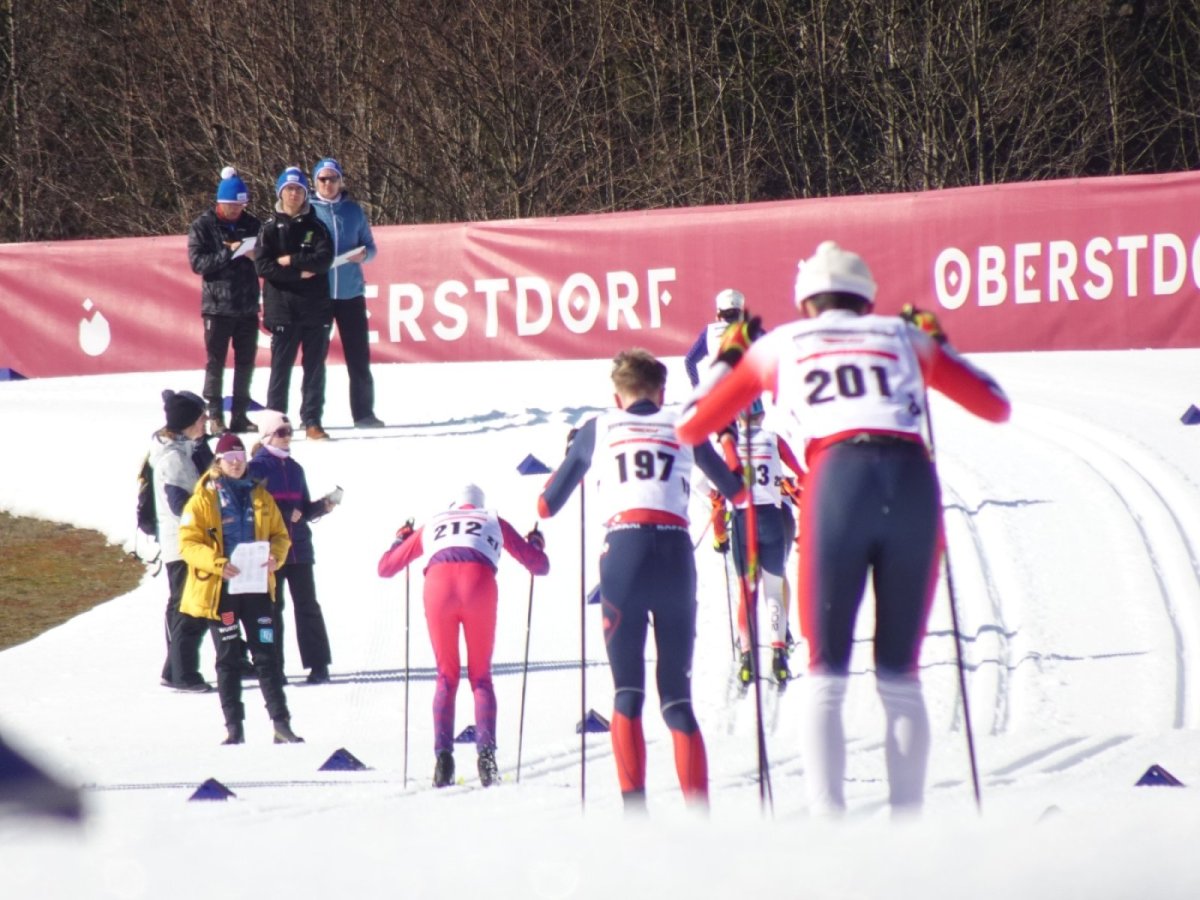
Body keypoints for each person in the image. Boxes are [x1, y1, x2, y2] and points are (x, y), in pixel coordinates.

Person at [676, 240, 1011, 817]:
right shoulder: (903, 335)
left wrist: (730, 356)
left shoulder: (782, 342)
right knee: (900, 676)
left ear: (805, 301)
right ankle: (907, 827)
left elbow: (690, 426)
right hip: (911, 482)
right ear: (868, 298)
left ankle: (829, 827)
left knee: (826, 673)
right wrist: (939, 345)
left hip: (838, 481)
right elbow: (996, 405)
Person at [537, 349, 743, 811]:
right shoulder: (686, 422)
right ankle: (700, 820)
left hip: (624, 556)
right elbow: (738, 492)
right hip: (674, 556)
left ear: (617, 397)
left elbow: (545, 506)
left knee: (628, 693)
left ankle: (636, 820)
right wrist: (728, 440)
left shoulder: (599, 427)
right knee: (677, 700)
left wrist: (573, 454)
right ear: (662, 393)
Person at [378, 485, 549, 788]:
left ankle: (443, 760)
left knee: (446, 676)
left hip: (438, 587)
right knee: (481, 677)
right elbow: (539, 566)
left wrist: (400, 539)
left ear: (455, 505)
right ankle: (487, 758)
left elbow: (386, 567)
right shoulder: (493, 519)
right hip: (479, 586)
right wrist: (535, 543)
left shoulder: (435, 521)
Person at [178, 432, 304, 745]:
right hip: (222, 590)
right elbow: (188, 544)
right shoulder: (202, 499)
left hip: (256, 587)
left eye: (240, 458)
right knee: (228, 658)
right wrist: (217, 563)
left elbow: (280, 535)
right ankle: (234, 728)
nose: (236, 464)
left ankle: (281, 724)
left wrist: (276, 557)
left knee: (266, 655)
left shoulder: (261, 496)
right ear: (218, 462)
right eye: (230, 459)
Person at [713, 399, 805, 690]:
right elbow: (802, 476)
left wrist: (719, 535)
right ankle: (779, 657)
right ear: (762, 414)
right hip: (772, 519)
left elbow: (712, 492)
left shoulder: (728, 445)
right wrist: (785, 484)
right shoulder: (774, 439)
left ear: (737, 418)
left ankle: (746, 660)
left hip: (743, 521)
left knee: (746, 591)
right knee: (773, 588)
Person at [247, 409, 337, 685]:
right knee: (272, 610)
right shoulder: (256, 468)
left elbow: (303, 510)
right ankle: (272, 667)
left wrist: (322, 506)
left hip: (299, 548)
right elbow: (254, 506)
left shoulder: (296, 468)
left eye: (289, 432)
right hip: (271, 550)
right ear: (267, 436)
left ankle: (319, 664)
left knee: (308, 606)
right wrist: (286, 513)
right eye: (281, 433)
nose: (288, 437)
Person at [256, 166, 335, 441]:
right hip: (282, 309)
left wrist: (291, 260)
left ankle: (312, 420)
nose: (294, 194)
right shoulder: (268, 228)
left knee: (315, 368)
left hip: (315, 308)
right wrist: (298, 273)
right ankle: (275, 422)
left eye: (299, 189)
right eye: (289, 189)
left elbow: (324, 260)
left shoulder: (317, 226)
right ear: (281, 193)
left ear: (305, 194)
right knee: (280, 368)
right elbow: (264, 266)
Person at [186, 166, 263, 435]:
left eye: (240, 205)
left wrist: (256, 256)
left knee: (246, 362)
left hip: (247, 305)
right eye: (232, 205)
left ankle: (240, 414)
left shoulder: (252, 224)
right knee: (215, 362)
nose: (236, 210)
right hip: (217, 307)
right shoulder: (203, 226)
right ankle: (215, 415)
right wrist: (228, 253)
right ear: (220, 202)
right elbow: (198, 263)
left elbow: (266, 258)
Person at [310, 157, 384, 428]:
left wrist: (364, 255)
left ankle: (364, 413)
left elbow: (371, 247)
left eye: (333, 178)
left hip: (350, 294)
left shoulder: (353, 211)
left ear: (341, 181)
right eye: (323, 179)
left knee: (358, 356)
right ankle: (311, 417)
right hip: (318, 294)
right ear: (315, 182)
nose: (328, 183)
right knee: (315, 358)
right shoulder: (308, 211)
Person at [150, 389, 214, 692]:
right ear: (188, 421)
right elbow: (180, 505)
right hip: (183, 545)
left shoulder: (183, 450)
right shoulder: (173, 459)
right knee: (188, 609)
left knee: (187, 607)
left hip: (188, 542)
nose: (206, 421)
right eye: (201, 418)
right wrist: (212, 513)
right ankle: (181, 673)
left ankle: (174, 670)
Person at [684, 288, 747, 388]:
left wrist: (697, 388)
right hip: (746, 392)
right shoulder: (754, 331)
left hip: (718, 392)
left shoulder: (709, 332)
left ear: (719, 312)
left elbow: (689, 361)